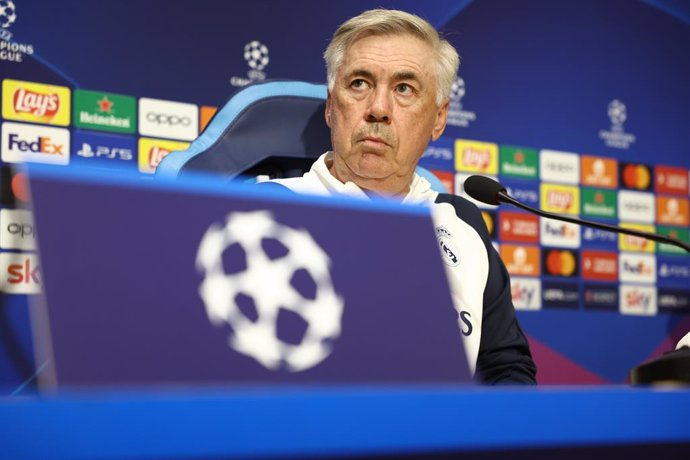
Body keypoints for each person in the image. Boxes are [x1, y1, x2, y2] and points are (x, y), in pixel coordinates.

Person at [271, 9, 536, 384]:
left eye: (404, 89)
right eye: (359, 83)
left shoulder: (460, 222)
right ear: (332, 106)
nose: (378, 109)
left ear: (438, 119)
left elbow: (505, 370)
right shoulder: (269, 208)